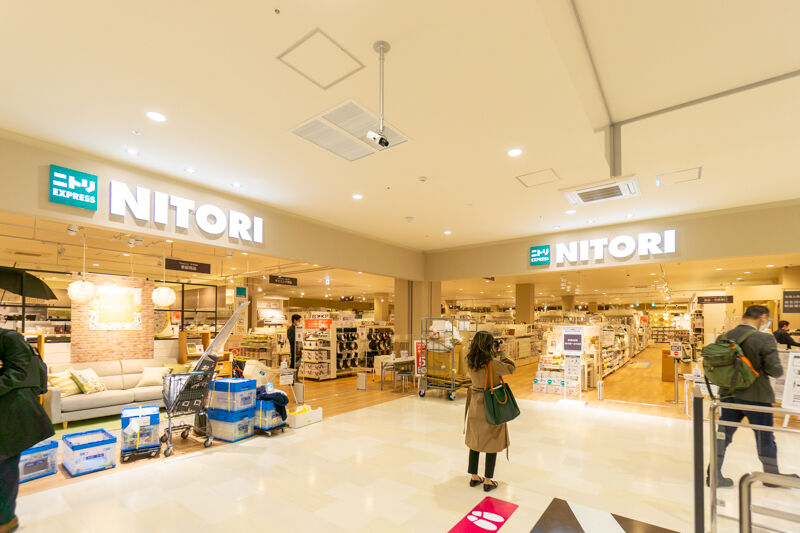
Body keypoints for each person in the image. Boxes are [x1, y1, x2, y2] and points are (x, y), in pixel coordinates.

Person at [709, 305, 794, 488]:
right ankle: (771, 477)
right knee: (765, 437)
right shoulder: (764, 338)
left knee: (723, 435)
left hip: (728, 394)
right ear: (762, 317)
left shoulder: (723, 337)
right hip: (757, 396)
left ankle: (713, 474)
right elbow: (776, 371)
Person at [0, 329, 55, 533]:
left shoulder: (10, 338)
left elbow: (18, 373)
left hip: (11, 412)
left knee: (6, 465)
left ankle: (6, 520)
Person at [464, 331, 516, 492]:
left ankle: (474, 476)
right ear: (489, 345)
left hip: (475, 403)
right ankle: (488, 480)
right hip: (491, 405)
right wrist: (502, 352)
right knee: (492, 440)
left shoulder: (469, 361)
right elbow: (511, 368)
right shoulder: (492, 364)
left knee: (475, 440)